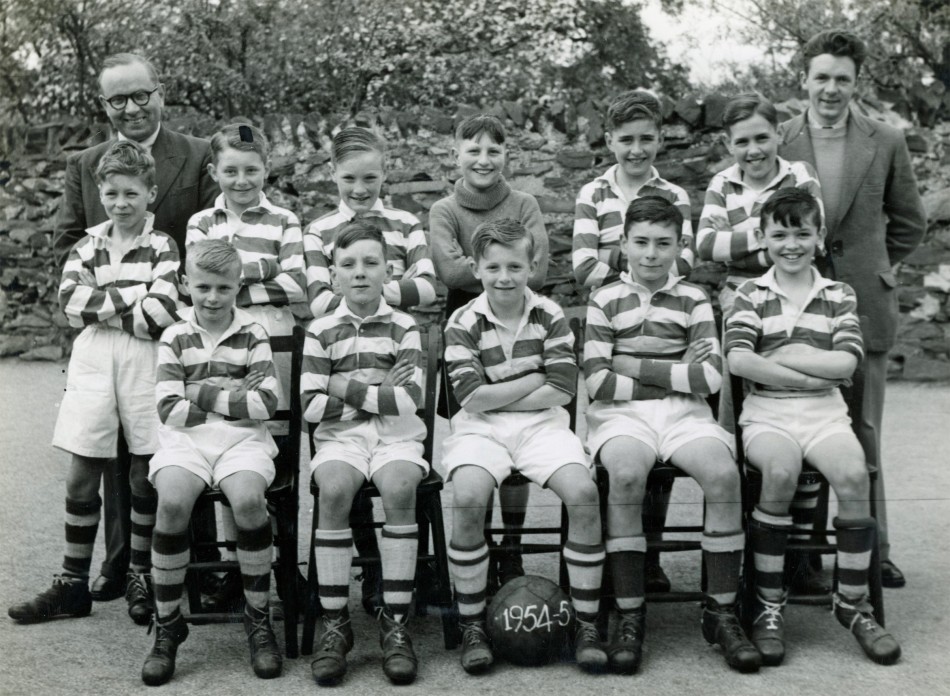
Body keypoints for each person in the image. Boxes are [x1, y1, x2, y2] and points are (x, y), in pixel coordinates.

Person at [53, 52, 218, 606]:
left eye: (140, 94)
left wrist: (147, 303)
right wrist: (130, 301)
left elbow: (208, 248)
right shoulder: (87, 163)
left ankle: (190, 567)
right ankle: (117, 566)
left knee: (164, 452)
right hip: (106, 347)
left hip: (178, 333)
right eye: (117, 99)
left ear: (161, 92)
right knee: (102, 456)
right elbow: (67, 255)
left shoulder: (197, 156)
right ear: (104, 105)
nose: (131, 108)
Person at [585, 196, 760, 674]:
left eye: (664, 244)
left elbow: (709, 380)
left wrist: (634, 364)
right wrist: (676, 367)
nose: (651, 254)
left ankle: (721, 612)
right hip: (621, 416)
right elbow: (598, 381)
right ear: (622, 244)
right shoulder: (604, 300)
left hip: (684, 414)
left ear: (680, 246)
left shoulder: (694, 298)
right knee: (623, 476)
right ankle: (629, 614)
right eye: (640, 242)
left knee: (725, 477)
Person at [726, 188, 901, 666]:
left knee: (851, 475)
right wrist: (810, 371)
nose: (791, 244)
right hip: (769, 415)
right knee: (779, 474)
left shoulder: (837, 293)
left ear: (819, 237)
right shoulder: (751, 293)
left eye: (802, 233)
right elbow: (740, 358)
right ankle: (767, 605)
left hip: (824, 413)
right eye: (779, 234)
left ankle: (852, 603)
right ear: (762, 240)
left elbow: (848, 357)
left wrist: (786, 356)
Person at [8, 141, 179, 627]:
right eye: (111, 193)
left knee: (145, 468)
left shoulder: (164, 245)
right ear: (99, 193)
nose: (120, 203)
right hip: (92, 361)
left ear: (151, 192)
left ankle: (139, 574)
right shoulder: (87, 244)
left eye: (131, 193)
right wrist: (132, 301)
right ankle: (71, 583)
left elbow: (161, 314)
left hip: (147, 361)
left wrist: (104, 303)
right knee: (83, 467)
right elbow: (69, 305)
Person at [779, 30, 927, 589]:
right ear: (804, 80)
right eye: (822, 77)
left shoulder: (885, 139)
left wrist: (876, 264)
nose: (832, 89)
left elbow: (909, 220)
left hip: (865, 303)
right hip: (798, 304)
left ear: (856, 83)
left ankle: (876, 548)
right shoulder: (782, 138)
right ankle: (802, 553)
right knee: (804, 425)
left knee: (863, 430)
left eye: (843, 78)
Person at [443, 218, 605, 675]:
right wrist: (534, 377)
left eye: (515, 266)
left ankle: (586, 623)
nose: (505, 277)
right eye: (493, 267)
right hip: (480, 427)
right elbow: (471, 398)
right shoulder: (463, 320)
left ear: (532, 266)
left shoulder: (549, 313)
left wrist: (513, 388)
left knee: (583, 493)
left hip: (542, 426)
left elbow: (564, 391)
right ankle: (473, 623)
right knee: (470, 495)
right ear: (476, 268)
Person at [303, 126, 437, 612]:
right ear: (332, 174)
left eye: (371, 177)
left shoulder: (406, 222)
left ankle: (402, 572)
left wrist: (375, 294)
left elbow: (427, 289)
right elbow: (320, 302)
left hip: (397, 345)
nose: (360, 189)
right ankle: (369, 570)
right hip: (341, 347)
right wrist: (378, 287)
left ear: (386, 171)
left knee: (396, 469)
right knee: (344, 473)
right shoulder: (318, 231)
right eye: (349, 179)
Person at [142, 239, 282, 686]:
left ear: (239, 286)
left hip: (243, 442)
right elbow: (169, 410)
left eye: (224, 287)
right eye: (202, 287)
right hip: (186, 442)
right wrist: (230, 394)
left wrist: (197, 389)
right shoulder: (174, 335)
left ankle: (258, 617)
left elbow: (265, 406)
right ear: (186, 284)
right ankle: (167, 624)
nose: (212, 298)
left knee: (247, 502)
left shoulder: (253, 333)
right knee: (172, 504)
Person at [572, 88, 696, 594]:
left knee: (665, 429)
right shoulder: (593, 193)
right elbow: (583, 267)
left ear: (660, 139)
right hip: (612, 321)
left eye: (647, 138)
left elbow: (683, 265)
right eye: (626, 140)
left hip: (668, 321)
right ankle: (614, 545)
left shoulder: (676, 196)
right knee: (621, 437)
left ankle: (650, 551)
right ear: (609, 140)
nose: (637, 150)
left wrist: (627, 263)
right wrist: (642, 271)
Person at [302, 221, 427, 686]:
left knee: (398, 487)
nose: (360, 273)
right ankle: (336, 623)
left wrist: (343, 384)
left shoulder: (405, 326)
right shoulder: (320, 330)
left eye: (371, 263)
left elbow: (406, 401)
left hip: (397, 435)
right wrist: (376, 388)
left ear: (387, 271)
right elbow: (312, 406)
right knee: (333, 490)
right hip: (341, 438)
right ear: (333, 275)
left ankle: (395, 622)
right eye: (348, 264)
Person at [430, 114, 551, 587]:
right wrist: (501, 263)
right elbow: (450, 272)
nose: (483, 159)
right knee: (477, 430)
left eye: (493, 151)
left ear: (506, 156)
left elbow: (536, 274)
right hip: (467, 325)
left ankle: (512, 546)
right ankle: (475, 539)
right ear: (454, 154)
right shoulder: (445, 210)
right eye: (473, 150)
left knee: (519, 425)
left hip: (521, 323)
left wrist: (476, 263)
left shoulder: (525, 203)